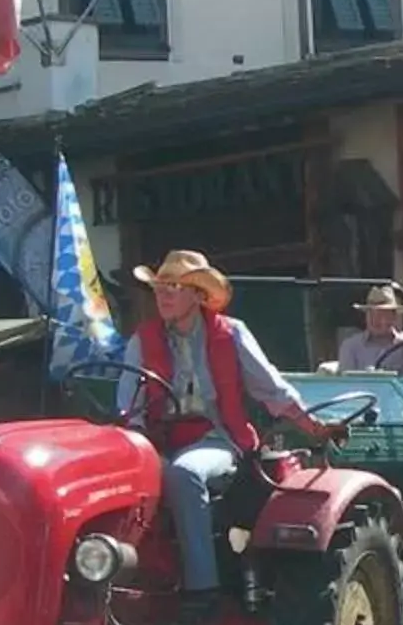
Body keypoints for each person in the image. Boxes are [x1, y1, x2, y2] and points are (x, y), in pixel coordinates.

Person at [119, 250, 341, 599]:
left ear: (198, 295)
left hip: (217, 438)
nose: (162, 295)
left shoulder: (230, 334)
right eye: (158, 287)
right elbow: (128, 408)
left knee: (183, 473)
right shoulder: (141, 340)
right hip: (158, 442)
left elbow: (272, 389)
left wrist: (313, 425)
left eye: (173, 287)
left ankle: (201, 589)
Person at [326, 284, 403, 374]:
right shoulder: (351, 346)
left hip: (400, 403)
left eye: (382, 315)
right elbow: (347, 387)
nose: (375, 320)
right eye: (371, 314)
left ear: (394, 317)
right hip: (366, 402)